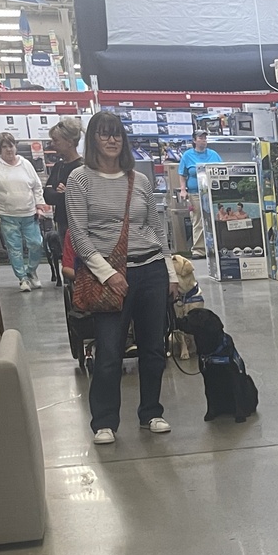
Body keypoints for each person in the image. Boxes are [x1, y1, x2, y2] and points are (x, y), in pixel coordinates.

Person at [67, 112, 181, 447]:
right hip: (109, 276)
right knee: (110, 351)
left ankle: (151, 413)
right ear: (93, 140)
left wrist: (170, 272)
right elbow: (79, 234)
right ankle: (104, 421)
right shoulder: (79, 179)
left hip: (151, 272)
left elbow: (157, 230)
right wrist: (108, 274)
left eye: (117, 134)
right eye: (104, 134)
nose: (112, 140)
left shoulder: (139, 179)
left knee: (154, 348)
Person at [0, 132, 45, 293]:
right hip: (6, 215)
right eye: (4, 147)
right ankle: (22, 278)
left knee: (36, 244)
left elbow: (37, 186)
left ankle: (31, 271)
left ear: (15, 146)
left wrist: (39, 206)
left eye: (11, 145)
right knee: (14, 248)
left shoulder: (25, 163)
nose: (9, 150)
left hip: (29, 214)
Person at [43, 117, 84, 284]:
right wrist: (65, 194)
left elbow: (83, 198)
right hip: (62, 222)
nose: (53, 144)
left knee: (81, 263)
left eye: (56, 140)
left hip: (80, 224)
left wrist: (65, 194)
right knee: (67, 264)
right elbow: (47, 195)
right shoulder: (59, 167)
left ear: (69, 142)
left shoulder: (83, 167)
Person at [178, 129, 223, 259]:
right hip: (195, 193)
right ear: (194, 140)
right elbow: (182, 174)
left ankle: (215, 247)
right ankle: (198, 250)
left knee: (215, 219)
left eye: (204, 138)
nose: (203, 140)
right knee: (198, 220)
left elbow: (223, 169)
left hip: (212, 192)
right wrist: (183, 189)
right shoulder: (187, 155)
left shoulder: (214, 154)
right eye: (200, 138)